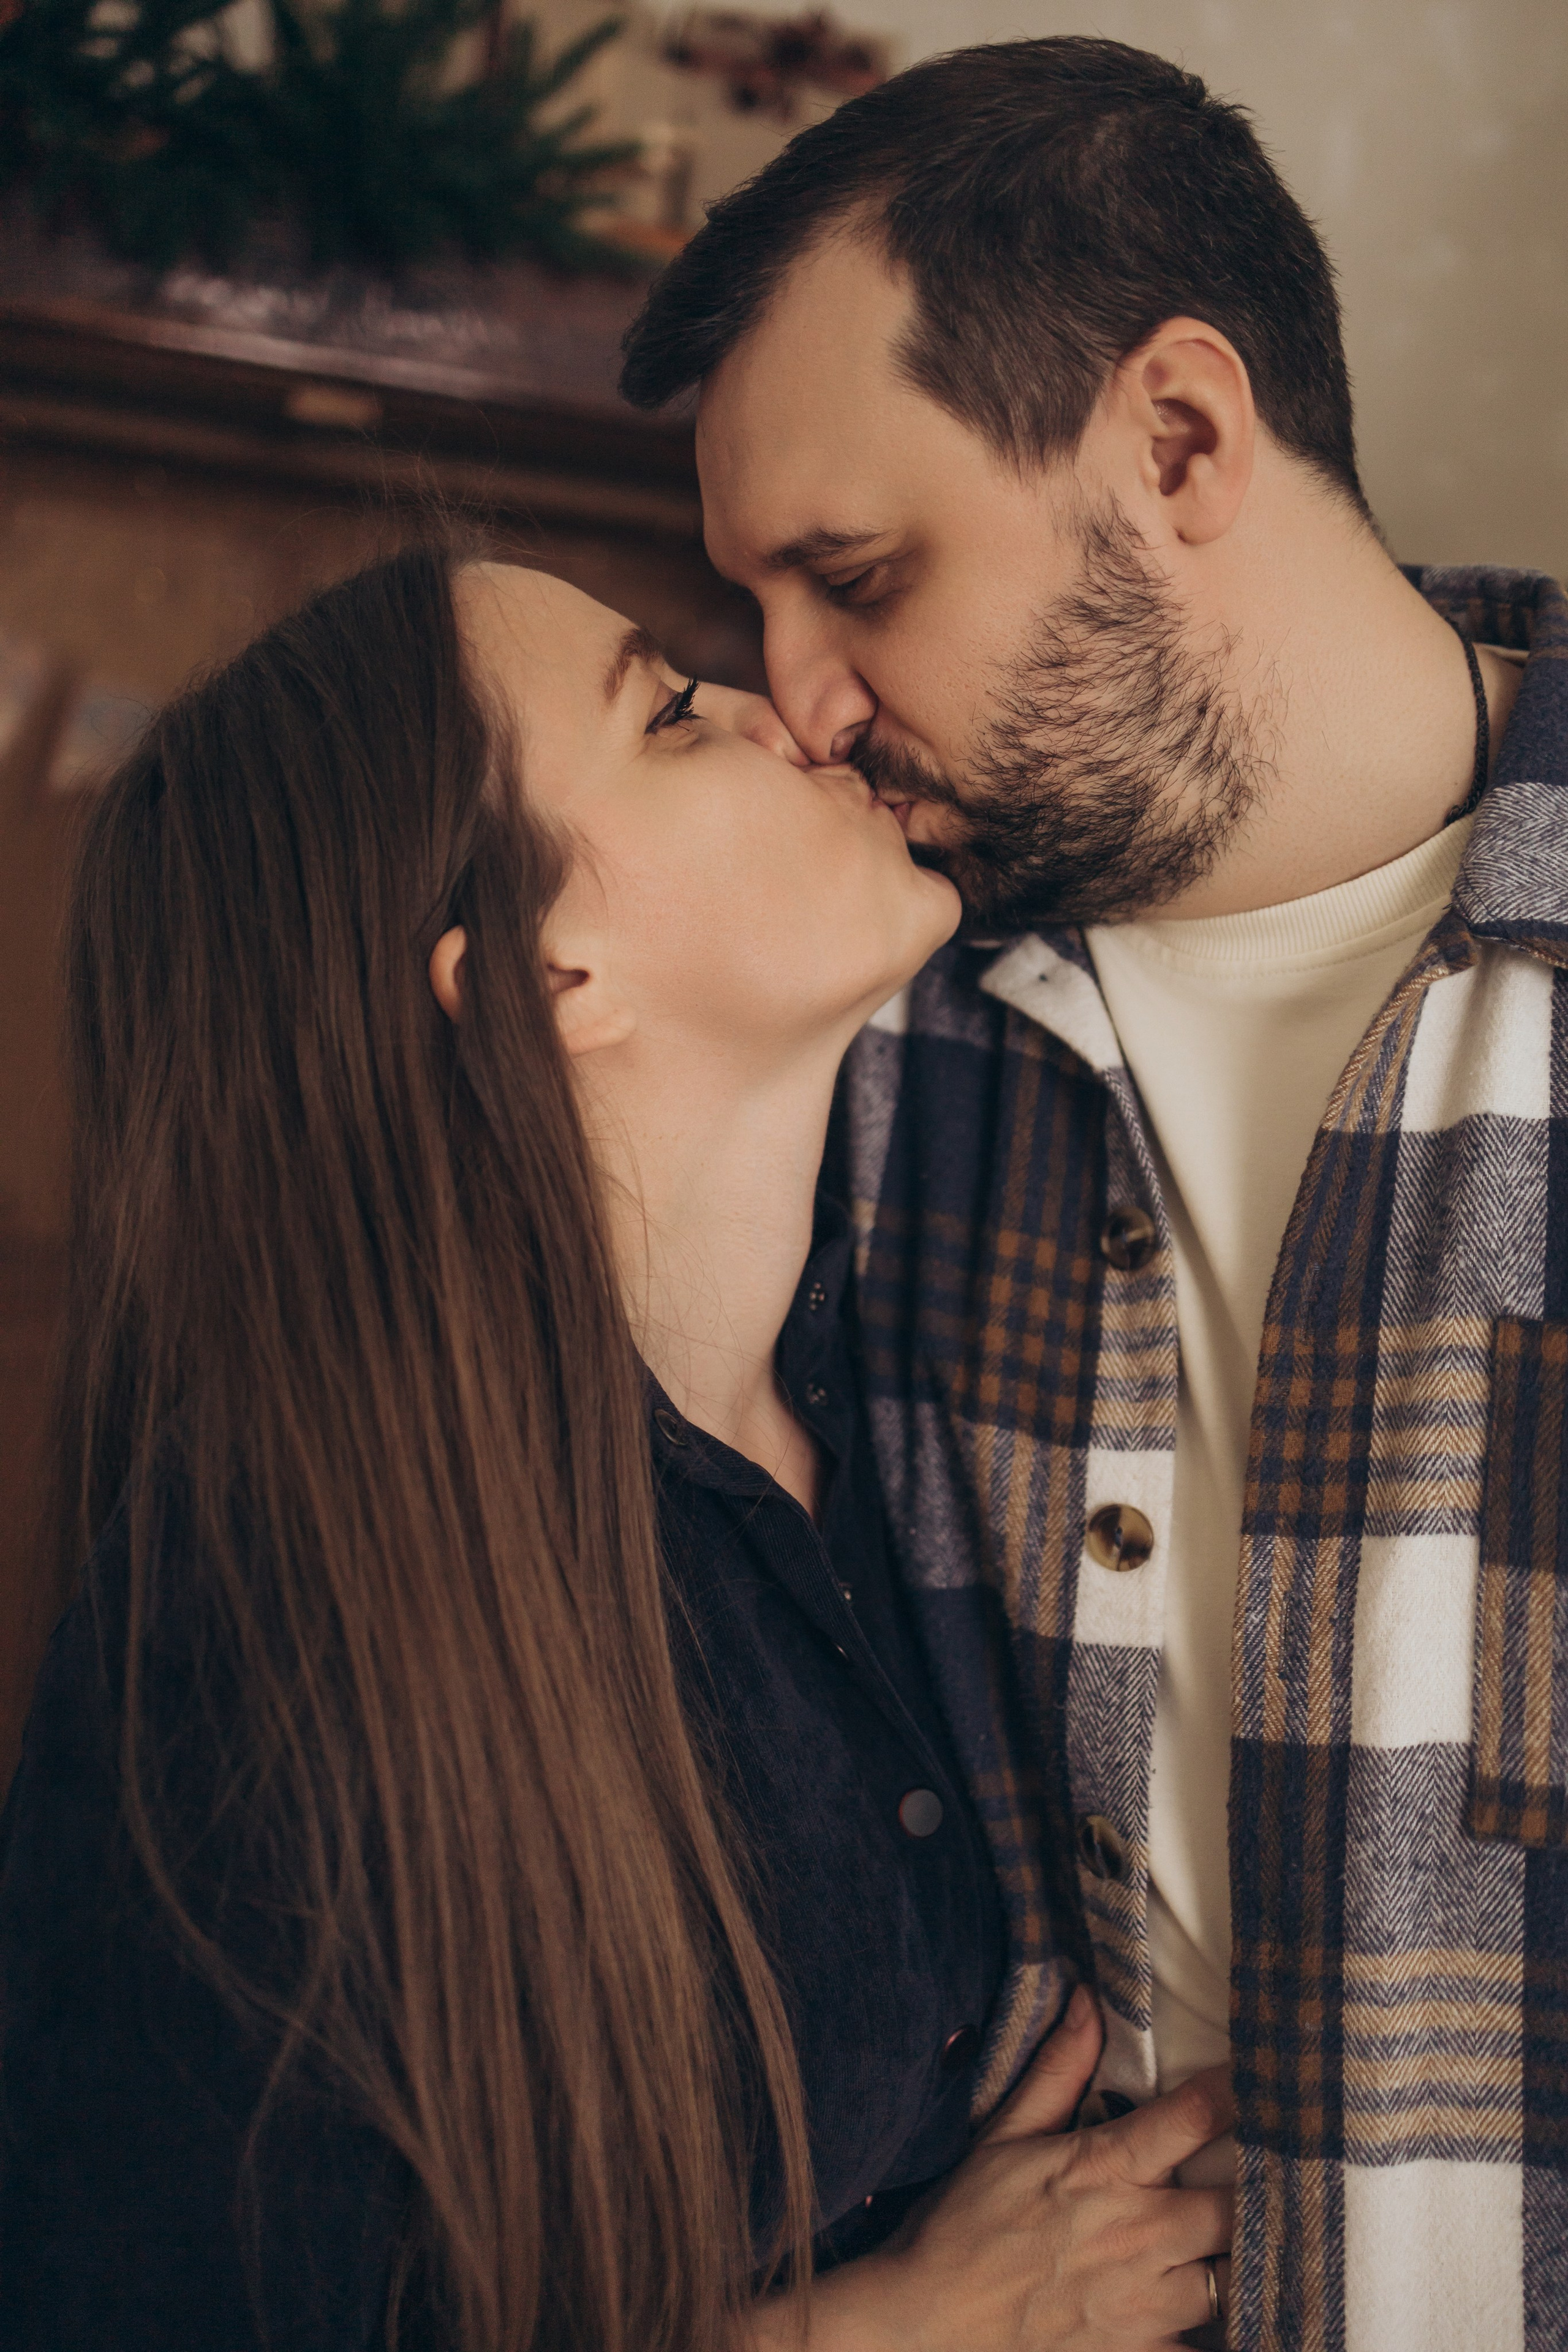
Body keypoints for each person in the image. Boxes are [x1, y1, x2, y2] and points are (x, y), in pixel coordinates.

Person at [0, 542, 1235, 2351]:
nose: (786, 709)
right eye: (668, 713)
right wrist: (896, 2330)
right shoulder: (260, 1605)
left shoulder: (906, 1388)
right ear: (549, 971)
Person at [619, 33, 1568, 2352]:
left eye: (858, 576)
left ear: (1178, 441)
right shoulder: (854, 1040)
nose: (797, 701)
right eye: (756, 611)